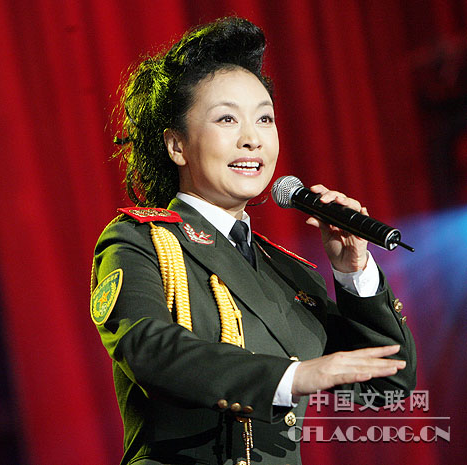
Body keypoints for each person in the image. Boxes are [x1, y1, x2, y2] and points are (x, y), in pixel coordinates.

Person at [90, 17, 416, 465]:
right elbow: (150, 351)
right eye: (227, 119)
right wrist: (290, 378)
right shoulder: (141, 241)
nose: (252, 139)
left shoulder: (288, 271)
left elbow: (387, 385)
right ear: (176, 145)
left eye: (265, 119)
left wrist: (353, 271)